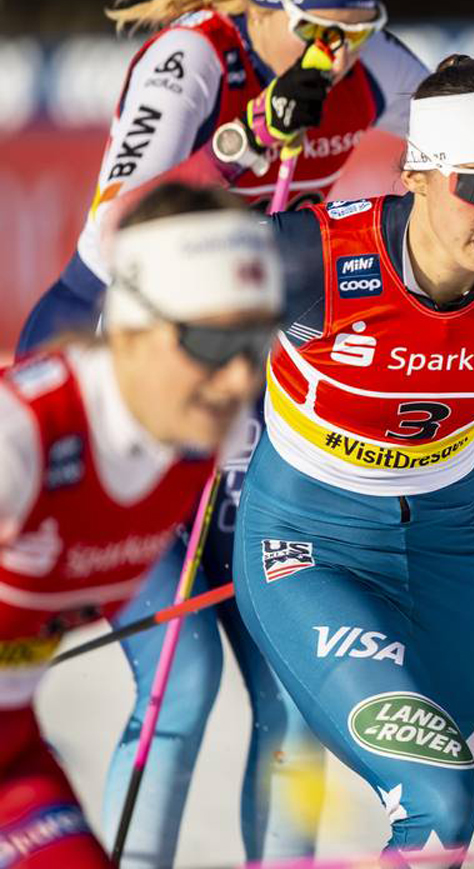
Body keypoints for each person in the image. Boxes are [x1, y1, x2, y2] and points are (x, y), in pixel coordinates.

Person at [10, 0, 474, 864]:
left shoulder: (361, 60)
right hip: (131, 368)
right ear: (262, 7)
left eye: (360, 27)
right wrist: (246, 138)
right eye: (318, 28)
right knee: (180, 685)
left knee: (293, 700)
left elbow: (460, 146)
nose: (340, 51)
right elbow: (120, 239)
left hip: (245, 384)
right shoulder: (192, 62)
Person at [232, 53, 474, 866]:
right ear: (418, 175)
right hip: (308, 550)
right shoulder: (309, 261)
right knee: (438, 805)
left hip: (448, 546)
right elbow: (146, 296)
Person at [0, 183, 281, 867]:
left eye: (255, 340)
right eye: (213, 342)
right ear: (131, 326)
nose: (239, 377)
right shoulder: (22, 439)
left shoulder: (190, 442)